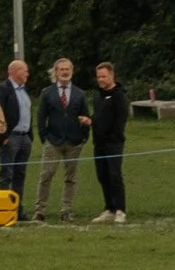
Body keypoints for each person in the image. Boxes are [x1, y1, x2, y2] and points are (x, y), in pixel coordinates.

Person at [33, 57, 92, 222]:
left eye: (68, 69)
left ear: (71, 72)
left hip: (74, 142)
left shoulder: (79, 94)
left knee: (70, 178)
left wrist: (84, 136)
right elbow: (41, 116)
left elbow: (85, 115)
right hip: (53, 141)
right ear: (56, 72)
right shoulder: (47, 93)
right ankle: (40, 210)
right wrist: (44, 136)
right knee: (46, 175)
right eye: (62, 69)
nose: (65, 72)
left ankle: (66, 210)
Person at [91, 61, 130, 224]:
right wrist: (90, 121)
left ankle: (120, 209)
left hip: (113, 143)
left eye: (104, 76)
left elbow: (120, 120)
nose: (101, 79)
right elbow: (99, 119)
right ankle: (109, 208)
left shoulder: (119, 96)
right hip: (98, 144)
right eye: (98, 76)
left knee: (114, 175)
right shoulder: (98, 97)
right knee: (103, 175)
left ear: (112, 76)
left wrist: (113, 137)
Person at [0, 59, 34, 214]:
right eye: (25, 70)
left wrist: (30, 135)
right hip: (11, 137)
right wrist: (3, 136)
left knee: (20, 174)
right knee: (7, 174)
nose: (27, 73)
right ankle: (3, 209)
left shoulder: (24, 90)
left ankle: (17, 209)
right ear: (15, 72)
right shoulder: (3, 89)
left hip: (25, 137)